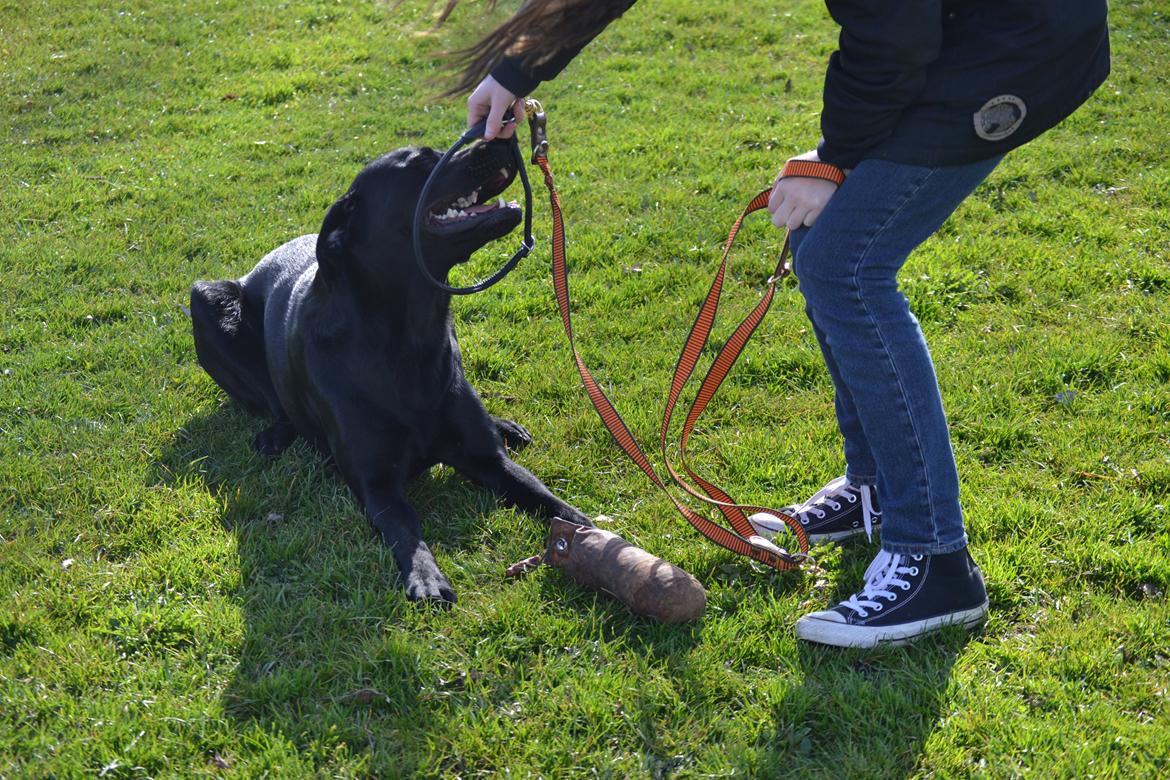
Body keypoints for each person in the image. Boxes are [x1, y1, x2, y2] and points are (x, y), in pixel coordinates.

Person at [451, 0, 1110, 648]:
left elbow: (896, 34)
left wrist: (835, 158)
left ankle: (936, 562)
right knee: (828, 254)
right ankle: (874, 491)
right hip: (956, 31)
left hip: (1019, 45)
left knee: (847, 264)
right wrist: (517, 68)